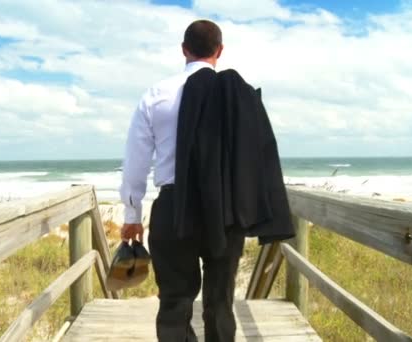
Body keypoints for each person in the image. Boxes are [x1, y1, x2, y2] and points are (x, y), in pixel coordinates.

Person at [120, 19, 293, 342]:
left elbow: (136, 163)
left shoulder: (156, 95)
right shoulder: (239, 96)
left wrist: (132, 216)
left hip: (173, 207)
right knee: (221, 301)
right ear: (220, 51)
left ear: (183, 50)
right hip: (226, 209)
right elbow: (257, 154)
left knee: (174, 300)